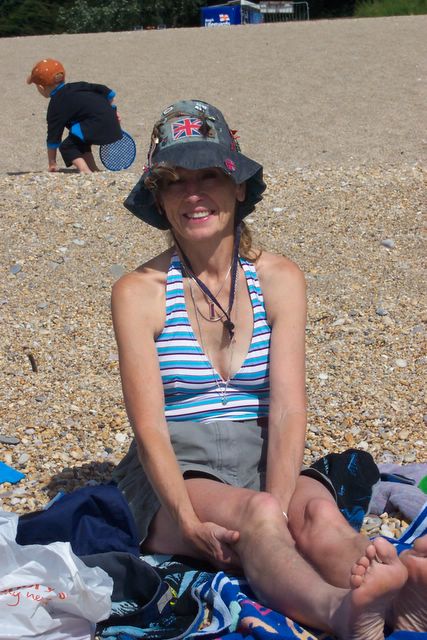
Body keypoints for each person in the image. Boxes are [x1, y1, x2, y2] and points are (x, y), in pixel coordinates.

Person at [111, 99, 426, 637]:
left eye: (209, 175)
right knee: (258, 516)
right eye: (174, 182)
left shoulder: (278, 279)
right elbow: (150, 428)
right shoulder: (139, 292)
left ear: (238, 186)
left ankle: (399, 595)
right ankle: (344, 614)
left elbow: (286, 409)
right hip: (177, 472)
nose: (193, 194)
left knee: (317, 517)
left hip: (262, 454)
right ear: (159, 200)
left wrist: (282, 506)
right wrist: (186, 521)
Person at [27, 58, 122, 173]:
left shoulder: (56, 105)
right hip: (113, 122)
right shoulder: (76, 86)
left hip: (96, 125)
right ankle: (93, 170)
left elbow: (53, 137)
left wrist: (52, 162)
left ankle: (85, 170)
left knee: (67, 147)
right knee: (79, 141)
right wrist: (113, 110)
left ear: (41, 87)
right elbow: (106, 91)